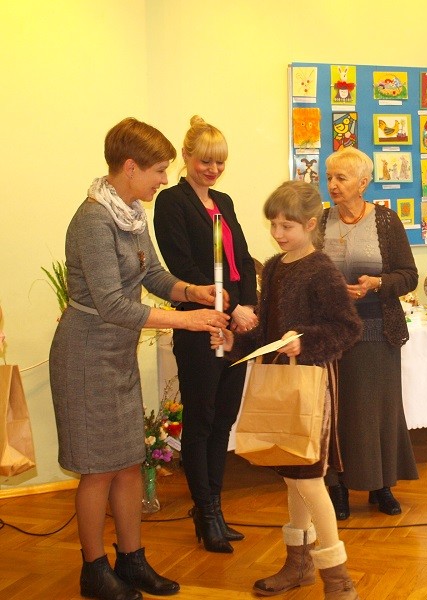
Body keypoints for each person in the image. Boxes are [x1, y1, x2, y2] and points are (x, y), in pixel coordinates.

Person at [49, 117, 230, 600]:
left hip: (116, 353)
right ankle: (94, 570)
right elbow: (112, 304)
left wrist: (192, 291)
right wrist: (188, 321)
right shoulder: (94, 220)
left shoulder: (130, 213)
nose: (165, 179)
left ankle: (132, 560)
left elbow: (153, 275)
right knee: (98, 468)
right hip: (86, 354)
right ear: (130, 168)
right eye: (159, 170)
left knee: (128, 462)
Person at [212, 180, 362, 599]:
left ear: (310, 225)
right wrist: (234, 341)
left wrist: (306, 341)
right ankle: (299, 565)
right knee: (292, 476)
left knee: (310, 480)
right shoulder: (276, 266)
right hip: (281, 380)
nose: (277, 233)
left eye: (287, 226)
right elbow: (266, 329)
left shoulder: (322, 270)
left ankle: (339, 578)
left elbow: (347, 327)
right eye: (273, 225)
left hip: (312, 382)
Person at [153, 116, 258, 553]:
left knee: (224, 420)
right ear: (186, 157)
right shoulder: (171, 202)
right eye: (205, 162)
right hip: (199, 324)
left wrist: (247, 309)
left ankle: (214, 507)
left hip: (235, 325)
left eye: (220, 163)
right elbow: (181, 268)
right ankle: (206, 511)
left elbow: (244, 260)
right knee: (201, 420)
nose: (213, 170)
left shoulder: (224, 201)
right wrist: (230, 309)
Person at [319, 147, 419, 519]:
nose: (333, 185)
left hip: (378, 330)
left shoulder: (386, 222)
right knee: (339, 412)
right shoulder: (321, 220)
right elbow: (310, 272)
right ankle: (339, 488)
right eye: (329, 177)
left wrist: (377, 283)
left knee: (379, 411)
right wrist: (330, 288)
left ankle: (382, 486)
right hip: (334, 333)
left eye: (341, 178)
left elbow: (408, 276)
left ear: (363, 183)